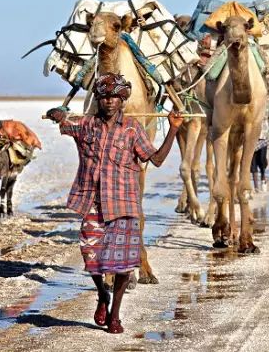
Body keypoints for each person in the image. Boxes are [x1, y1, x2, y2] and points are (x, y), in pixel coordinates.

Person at [45, 73, 183, 334]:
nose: (109, 101)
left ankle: (115, 315)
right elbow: (65, 121)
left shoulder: (133, 129)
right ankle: (101, 295)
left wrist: (174, 128)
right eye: (105, 96)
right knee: (91, 257)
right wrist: (57, 113)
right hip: (94, 203)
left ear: (123, 100)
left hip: (124, 204)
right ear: (98, 99)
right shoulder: (85, 125)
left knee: (122, 264)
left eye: (115, 97)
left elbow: (157, 160)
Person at [250, 106, 269, 192]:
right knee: (252, 162)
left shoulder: (267, 100)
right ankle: (256, 186)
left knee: (262, 159)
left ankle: (263, 178)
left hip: (264, 134)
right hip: (251, 134)